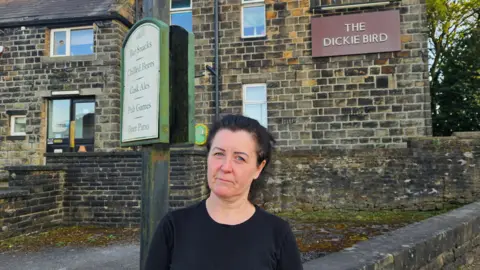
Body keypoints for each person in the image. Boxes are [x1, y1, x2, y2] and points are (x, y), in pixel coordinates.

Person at [145, 114, 303, 270]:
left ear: (258, 168)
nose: (225, 167)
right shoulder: (173, 227)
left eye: (239, 158)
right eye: (218, 154)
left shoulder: (278, 233)